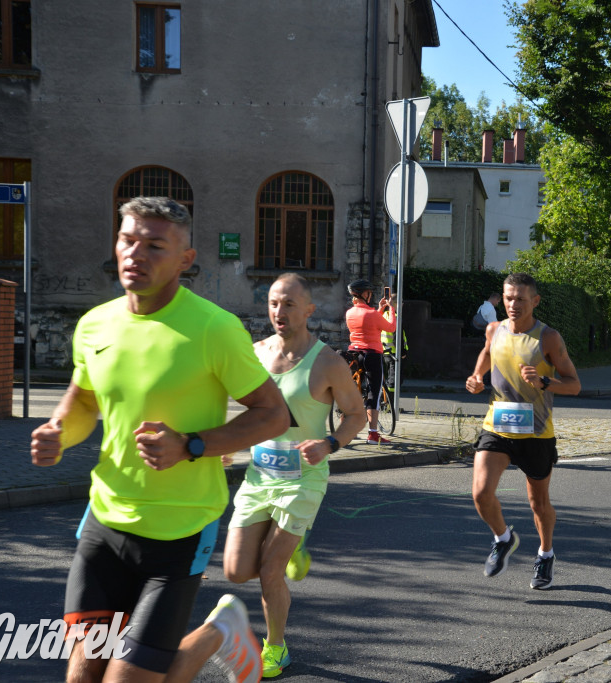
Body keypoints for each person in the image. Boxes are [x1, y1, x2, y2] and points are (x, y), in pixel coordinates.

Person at [30, 197, 290, 683]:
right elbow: (83, 402)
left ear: (185, 260)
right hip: (104, 524)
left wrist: (191, 444)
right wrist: (58, 434)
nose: (136, 254)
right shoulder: (95, 325)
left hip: (178, 533)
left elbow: (273, 415)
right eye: (128, 240)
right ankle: (222, 631)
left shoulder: (215, 329)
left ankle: (217, 634)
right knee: (83, 677)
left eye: (154, 245)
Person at [223, 273, 366, 678]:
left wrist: (330, 444)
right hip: (259, 474)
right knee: (235, 570)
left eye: (288, 304)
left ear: (308, 309)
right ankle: (293, 552)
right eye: (272, 303)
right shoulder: (254, 354)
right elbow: (237, 405)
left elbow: (355, 415)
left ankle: (276, 648)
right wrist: (223, 444)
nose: (278, 312)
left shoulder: (328, 362)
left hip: (304, 476)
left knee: (269, 570)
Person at [465, 273, 581, 589]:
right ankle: (503, 538)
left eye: (520, 298)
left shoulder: (548, 338)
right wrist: (477, 377)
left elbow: (574, 384)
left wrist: (545, 382)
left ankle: (545, 554)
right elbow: (487, 353)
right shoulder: (494, 329)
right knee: (480, 492)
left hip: (536, 433)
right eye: (508, 298)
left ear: (535, 301)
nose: (513, 304)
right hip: (497, 426)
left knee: (538, 504)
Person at [345, 279, 396, 444]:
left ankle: (346, 430)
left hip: (354, 353)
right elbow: (390, 327)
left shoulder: (350, 313)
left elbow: (367, 323)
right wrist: (391, 309)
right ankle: (373, 434)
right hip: (372, 354)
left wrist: (380, 309)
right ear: (363, 294)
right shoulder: (372, 314)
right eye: (369, 293)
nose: (371, 295)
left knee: (351, 390)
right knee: (374, 391)